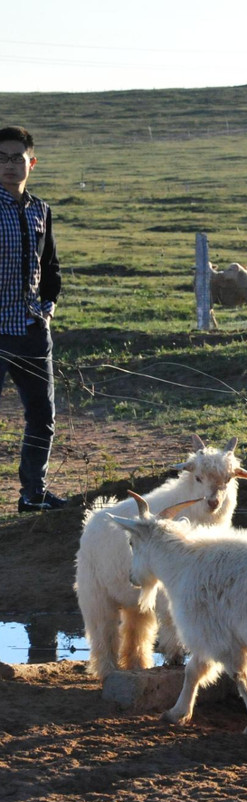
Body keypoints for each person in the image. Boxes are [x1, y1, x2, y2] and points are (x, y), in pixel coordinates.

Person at [0, 125, 66, 512]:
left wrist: (48, 307)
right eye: (1, 158)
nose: (9, 165)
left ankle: (33, 494)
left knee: (42, 416)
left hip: (30, 330)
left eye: (17, 158)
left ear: (32, 163)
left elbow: (50, 267)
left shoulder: (41, 210)